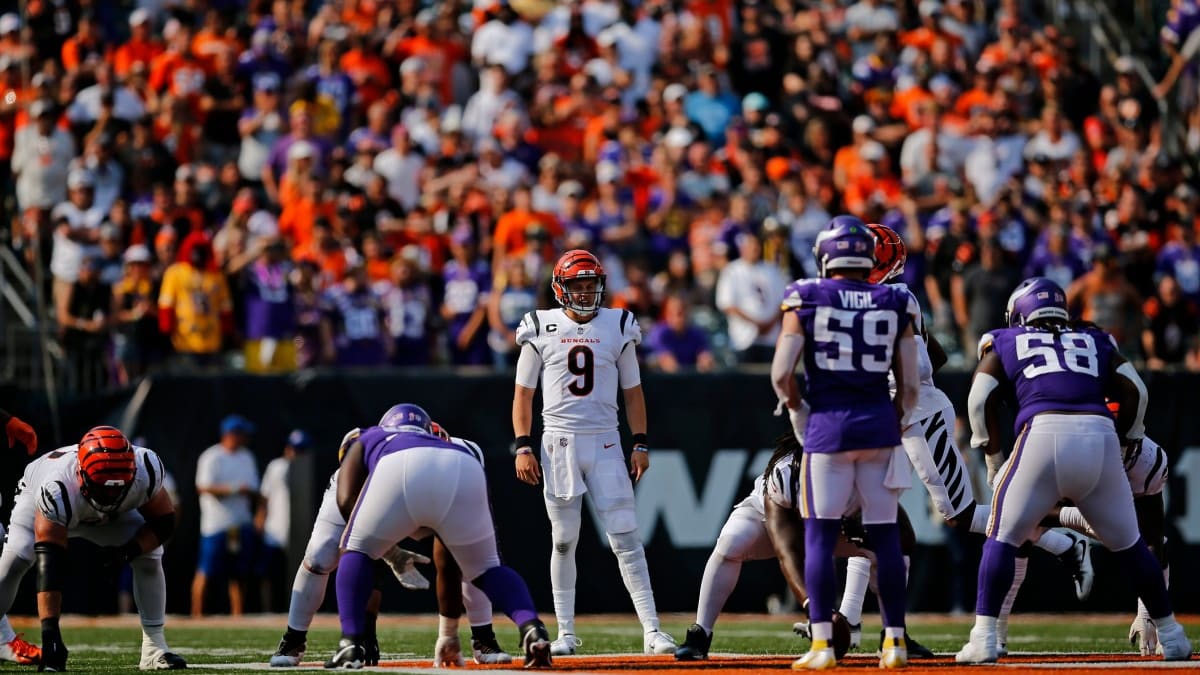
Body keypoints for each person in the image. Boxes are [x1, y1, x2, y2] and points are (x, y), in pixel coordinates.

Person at [833, 225, 1093, 653]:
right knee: (866, 515)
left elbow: (910, 365)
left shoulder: (896, 299)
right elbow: (933, 353)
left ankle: (1061, 538)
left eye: (866, 259)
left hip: (913, 414)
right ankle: (854, 620)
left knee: (958, 513)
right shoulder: (891, 302)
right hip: (885, 416)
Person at [956, 277, 1191, 662]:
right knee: (1131, 545)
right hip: (1099, 436)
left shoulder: (1004, 339)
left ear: (1021, 313)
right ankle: (1173, 634)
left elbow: (979, 398)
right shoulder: (1095, 339)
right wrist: (1126, 438)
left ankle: (984, 637)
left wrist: (994, 460)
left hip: (1042, 432)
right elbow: (1136, 390)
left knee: (1002, 536)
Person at [770, 216, 918, 670]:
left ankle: (822, 645)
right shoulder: (895, 299)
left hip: (829, 428)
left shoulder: (806, 295)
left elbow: (781, 374)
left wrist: (798, 410)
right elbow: (909, 386)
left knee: (819, 536)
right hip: (878, 424)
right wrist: (891, 418)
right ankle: (894, 641)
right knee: (886, 537)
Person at [511, 250, 676, 657]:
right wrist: (523, 445)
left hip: (605, 441)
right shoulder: (541, 326)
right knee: (564, 539)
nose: (586, 293)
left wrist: (639, 441)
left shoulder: (618, 324)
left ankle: (652, 630)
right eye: (578, 286)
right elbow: (522, 395)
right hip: (559, 441)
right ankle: (565, 632)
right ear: (560, 289)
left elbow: (633, 392)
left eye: (590, 285)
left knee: (626, 537)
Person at [269, 418, 510, 668]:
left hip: (431, 494)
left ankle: (483, 638)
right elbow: (358, 539)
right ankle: (295, 638)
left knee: (469, 556)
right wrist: (367, 625)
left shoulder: (465, 453)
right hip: (379, 494)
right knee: (321, 555)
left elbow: (481, 532)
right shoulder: (362, 448)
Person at [674, 432, 932, 661]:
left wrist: (873, 534)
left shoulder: (866, 474)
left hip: (835, 530)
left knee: (891, 549)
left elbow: (905, 536)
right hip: (775, 524)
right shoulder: (786, 473)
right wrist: (815, 610)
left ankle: (894, 634)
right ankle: (700, 634)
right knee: (732, 542)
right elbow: (788, 550)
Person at [330, 404, 553, 669]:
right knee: (488, 569)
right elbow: (448, 559)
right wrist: (448, 634)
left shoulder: (370, 436)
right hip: (462, 465)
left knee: (355, 549)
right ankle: (532, 628)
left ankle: (350, 643)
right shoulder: (456, 444)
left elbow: (345, 501)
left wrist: (383, 549)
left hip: (397, 467)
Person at [9, 427, 185, 670]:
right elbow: (51, 564)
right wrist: (50, 635)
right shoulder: (57, 487)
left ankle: (155, 649)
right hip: (44, 500)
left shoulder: (146, 470)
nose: (110, 495)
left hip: (106, 515)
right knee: (17, 556)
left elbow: (164, 522)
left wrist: (128, 551)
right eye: (104, 488)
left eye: (118, 488)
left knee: (150, 555)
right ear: (81, 474)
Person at [1040, 401, 1170, 656]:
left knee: (1149, 538)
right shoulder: (1064, 450)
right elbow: (1032, 512)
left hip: (1115, 510)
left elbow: (1154, 539)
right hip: (1080, 490)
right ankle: (994, 631)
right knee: (1015, 521)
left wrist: (1148, 612)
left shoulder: (1147, 461)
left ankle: (1158, 622)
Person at [192, 415, 260, 617]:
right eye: (242, 434)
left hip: (241, 524)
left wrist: (246, 492)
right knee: (206, 571)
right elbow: (203, 487)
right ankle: (196, 615)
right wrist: (234, 489)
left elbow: (254, 487)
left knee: (239, 574)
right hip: (216, 525)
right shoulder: (211, 457)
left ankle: (237, 615)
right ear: (231, 435)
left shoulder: (247, 457)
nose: (246, 438)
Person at [257, 430, 308, 612]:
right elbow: (265, 496)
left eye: (300, 450)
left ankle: (297, 611)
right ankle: (268, 610)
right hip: (275, 529)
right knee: (269, 573)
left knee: (300, 575)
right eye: (293, 448)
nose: (295, 453)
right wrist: (260, 519)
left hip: (299, 532)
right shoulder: (276, 467)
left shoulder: (309, 470)